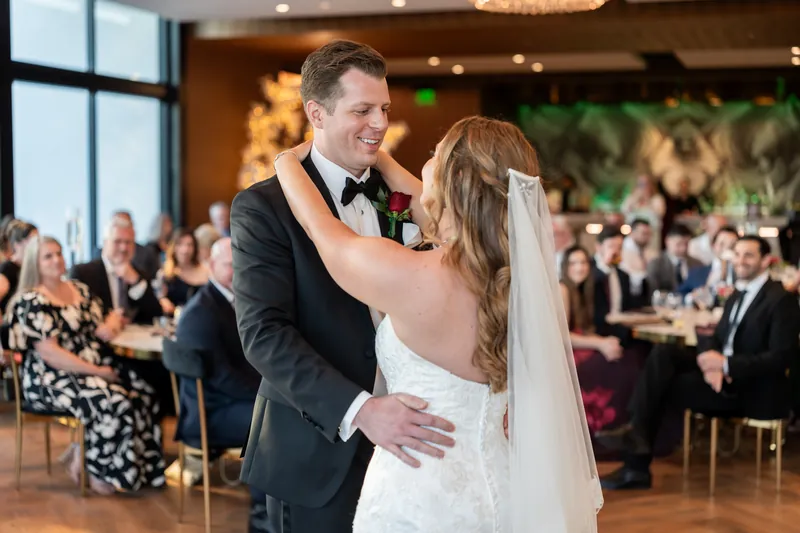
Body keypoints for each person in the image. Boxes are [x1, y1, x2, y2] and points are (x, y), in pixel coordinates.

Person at [234, 41, 598, 533]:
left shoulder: (415, 208)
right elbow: (263, 334)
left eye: (384, 108)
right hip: (322, 446)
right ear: (315, 113)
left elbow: (333, 237)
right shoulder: (263, 208)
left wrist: (286, 160)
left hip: (425, 467)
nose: (381, 124)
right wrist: (359, 410)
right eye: (363, 110)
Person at [597, 236, 800, 490]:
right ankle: (635, 441)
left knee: (663, 384)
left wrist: (726, 365)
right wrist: (709, 363)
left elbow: (781, 358)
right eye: (736, 254)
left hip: (751, 388)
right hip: (722, 376)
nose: (740, 261)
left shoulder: (781, 299)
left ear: (765, 261)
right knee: (663, 353)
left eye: (748, 255)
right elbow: (716, 339)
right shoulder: (737, 294)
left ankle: (636, 462)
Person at [5, 236, 165, 494]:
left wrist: (111, 324)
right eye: (48, 256)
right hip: (51, 377)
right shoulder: (31, 301)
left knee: (144, 394)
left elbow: (111, 316)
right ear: (35, 262)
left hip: (93, 368)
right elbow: (51, 354)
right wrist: (99, 372)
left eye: (58, 253)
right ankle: (100, 470)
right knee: (112, 402)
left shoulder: (79, 289)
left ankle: (140, 469)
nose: (57, 259)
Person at [174, 238, 267, 532]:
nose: (239, 270)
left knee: (280, 415)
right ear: (211, 266)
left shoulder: (237, 300)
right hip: (208, 413)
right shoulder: (200, 312)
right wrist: (268, 393)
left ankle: (290, 505)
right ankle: (263, 518)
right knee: (268, 424)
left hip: (229, 400)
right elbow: (221, 379)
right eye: (230, 264)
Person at [71, 216, 162, 325]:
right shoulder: (84, 273)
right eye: (117, 241)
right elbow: (77, 316)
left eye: (128, 242)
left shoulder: (139, 274)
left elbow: (155, 313)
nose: (123, 248)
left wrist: (136, 282)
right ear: (105, 243)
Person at [156, 228, 208, 315]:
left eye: (189, 245)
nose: (185, 250)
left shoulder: (206, 271)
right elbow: (159, 298)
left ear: (195, 248)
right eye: (180, 244)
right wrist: (163, 301)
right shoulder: (165, 274)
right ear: (174, 247)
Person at [646, 223, 703, 294]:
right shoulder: (656, 265)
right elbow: (652, 293)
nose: (683, 248)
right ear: (667, 241)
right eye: (679, 244)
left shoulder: (697, 264)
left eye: (686, 244)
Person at [0, 221, 37, 312]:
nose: (37, 245)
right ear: (17, 244)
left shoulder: (30, 268)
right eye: (32, 241)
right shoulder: (8, 268)